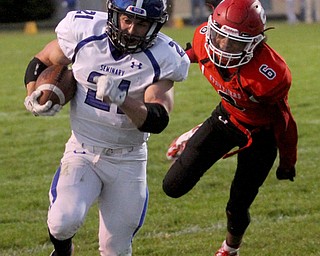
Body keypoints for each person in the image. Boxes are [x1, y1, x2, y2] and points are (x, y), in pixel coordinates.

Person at [23, 0, 190, 255]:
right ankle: (63, 250)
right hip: (82, 149)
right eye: (127, 20)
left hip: (128, 159)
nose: (132, 30)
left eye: (142, 23)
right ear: (113, 15)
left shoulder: (164, 57)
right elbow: (43, 59)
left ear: (155, 26)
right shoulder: (84, 32)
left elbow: (158, 118)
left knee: (116, 249)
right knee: (61, 222)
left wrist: (124, 101)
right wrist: (33, 94)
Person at [162, 0, 298, 255]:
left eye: (234, 43)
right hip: (226, 118)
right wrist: (170, 61)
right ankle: (198, 130)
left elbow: (284, 121)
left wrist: (287, 162)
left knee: (237, 206)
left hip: (260, 135)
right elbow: (193, 54)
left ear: (254, 43)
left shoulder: (267, 76)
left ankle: (230, 249)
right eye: (220, 37)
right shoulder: (204, 40)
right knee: (173, 186)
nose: (223, 47)